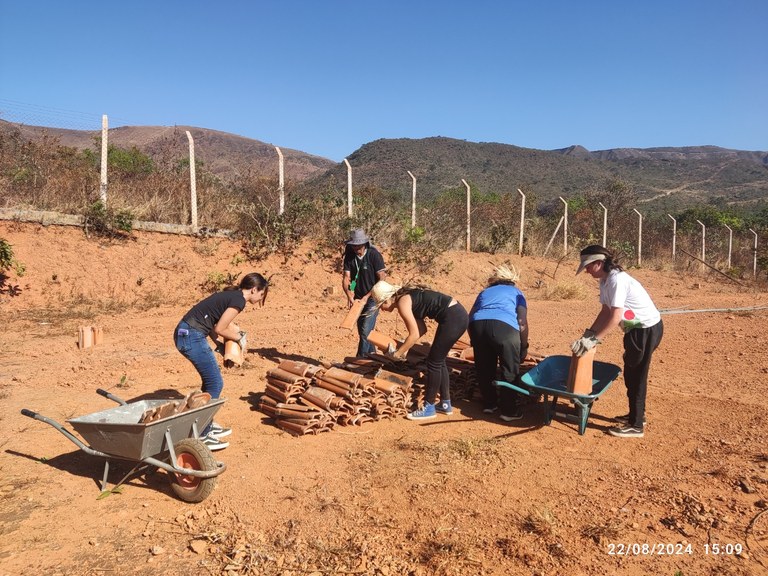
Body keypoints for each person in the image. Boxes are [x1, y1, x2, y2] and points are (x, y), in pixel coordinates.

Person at [571, 245, 663, 438]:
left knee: (636, 375)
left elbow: (615, 317)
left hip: (644, 330)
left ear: (599, 263)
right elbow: (605, 311)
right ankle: (637, 415)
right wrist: (589, 334)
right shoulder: (605, 280)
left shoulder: (617, 280)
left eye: (588, 266)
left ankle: (636, 426)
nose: (586, 271)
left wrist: (594, 340)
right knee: (631, 373)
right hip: (634, 329)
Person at [174, 272, 269, 450]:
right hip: (190, 336)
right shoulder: (239, 300)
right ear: (254, 289)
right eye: (261, 294)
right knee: (215, 383)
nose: (260, 298)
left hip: (187, 333)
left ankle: (205, 424)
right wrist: (240, 338)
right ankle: (202, 433)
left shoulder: (231, 295)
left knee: (210, 382)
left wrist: (219, 346)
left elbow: (212, 324)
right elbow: (220, 328)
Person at [370, 280, 469, 420]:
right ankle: (445, 404)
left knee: (433, 362)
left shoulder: (403, 302)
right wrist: (405, 347)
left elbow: (414, 334)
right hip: (456, 316)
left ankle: (429, 408)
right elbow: (422, 329)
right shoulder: (408, 298)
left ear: (387, 299)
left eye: (381, 305)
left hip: (454, 318)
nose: (381, 309)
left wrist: (397, 354)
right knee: (439, 360)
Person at [468, 265, 529, 422]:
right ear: (512, 282)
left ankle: (489, 404)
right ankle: (509, 411)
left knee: (484, 367)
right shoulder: (517, 293)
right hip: (505, 328)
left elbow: (471, 315)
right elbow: (521, 322)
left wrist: (474, 338)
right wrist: (523, 347)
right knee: (509, 369)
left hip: (477, 325)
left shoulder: (485, 292)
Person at [342, 229, 387, 357]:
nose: (356, 248)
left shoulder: (374, 255)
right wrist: (349, 294)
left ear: (364, 244)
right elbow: (347, 278)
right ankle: (373, 358)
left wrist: (368, 296)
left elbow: (382, 278)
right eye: (354, 245)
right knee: (364, 330)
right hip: (358, 298)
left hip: (373, 298)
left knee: (365, 330)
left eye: (358, 245)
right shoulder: (349, 257)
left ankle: (359, 360)